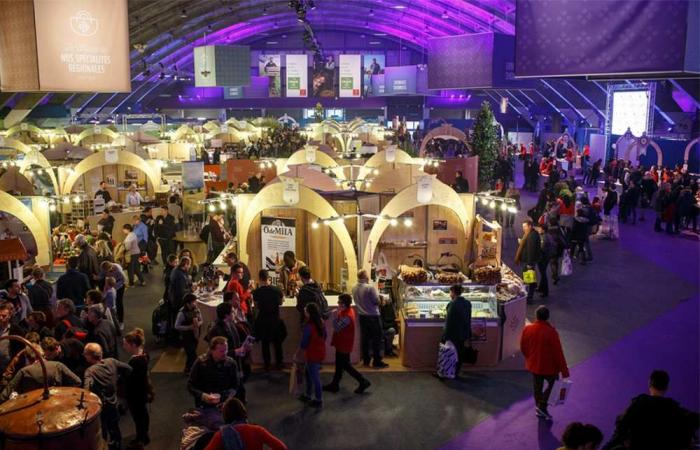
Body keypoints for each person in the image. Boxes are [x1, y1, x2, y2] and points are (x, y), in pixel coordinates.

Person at [603, 370, 699, 450]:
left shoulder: (638, 403)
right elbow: (694, 419)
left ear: (650, 384)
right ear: (666, 387)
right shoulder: (674, 408)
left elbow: (621, 430)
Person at [520, 306, 570, 421]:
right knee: (554, 385)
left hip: (534, 365)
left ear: (536, 315)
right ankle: (542, 406)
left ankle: (539, 407)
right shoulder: (551, 332)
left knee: (537, 387)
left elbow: (523, 346)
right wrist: (565, 372)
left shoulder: (528, 329)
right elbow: (558, 353)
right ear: (547, 317)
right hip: (549, 367)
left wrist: (529, 358)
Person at [83, 342, 132, 450]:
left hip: (101, 407)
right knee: (114, 426)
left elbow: (86, 391)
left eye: (85, 354)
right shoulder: (111, 361)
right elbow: (128, 368)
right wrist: (119, 380)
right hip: (114, 402)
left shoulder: (90, 372)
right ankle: (118, 444)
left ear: (89, 356)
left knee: (102, 430)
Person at [0, 341, 81, 402]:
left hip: (33, 409)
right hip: (56, 404)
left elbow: (4, 395)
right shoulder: (57, 365)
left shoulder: (24, 371)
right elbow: (78, 381)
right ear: (42, 353)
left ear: (28, 358)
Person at [324, 293, 371, 394]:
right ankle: (335, 384)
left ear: (344, 304)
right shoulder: (348, 311)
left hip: (344, 344)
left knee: (345, 365)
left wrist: (335, 316)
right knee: (339, 364)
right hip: (342, 342)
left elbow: (337, 327)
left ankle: (363, 381)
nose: (338, 303)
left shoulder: (347, 316)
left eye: (340, 302)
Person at [203, 398, 288, 450]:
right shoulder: (257, 430)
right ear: (243, 411)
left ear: (225, 416)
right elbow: (281, 447)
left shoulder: (222, 435)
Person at [188, 336, 241, 408]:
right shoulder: (201, 363)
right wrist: (203, 396)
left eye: (226, 350)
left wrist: (228, 397)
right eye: (221, 351)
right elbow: (190, 385)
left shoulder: (231, 363)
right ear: (212, 350)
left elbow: (236, 385)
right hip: (204, 404)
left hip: (224, 404)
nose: (225, 353)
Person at [123, 328, 153, 448]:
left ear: (133, 345)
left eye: (125, 344)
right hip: (143, 391)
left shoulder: (136, 361)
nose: (123, 346)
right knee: (143, 414)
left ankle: (140, 439)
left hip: (136, 394)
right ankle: (144, 436)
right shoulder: (144, 354)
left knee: (138, 417)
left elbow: (132, 380)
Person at [352, 270, 388, 369]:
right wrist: (383, 300)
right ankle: (377, 361)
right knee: (377, 339)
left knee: (365, 339)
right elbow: (376, 301)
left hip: (362, 316)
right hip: (373, 316)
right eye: (367, 275)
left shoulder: (354, 287)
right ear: (365, 277)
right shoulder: (370, 288)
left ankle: (366, 360)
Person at [437, 284, 472, 379]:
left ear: (453, 292)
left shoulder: (452, 304)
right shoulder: (468, 303)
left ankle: (445, 372)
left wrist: (445, 335)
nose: (449, 294)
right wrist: (469, 334)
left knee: (448, 353)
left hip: (453, 333)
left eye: (450, 292)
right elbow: (468, 319)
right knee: (459, 353)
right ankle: (456, 372)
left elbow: (449, 321)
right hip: (463, 333)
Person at [252, 269, 285, 370]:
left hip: (263, 319)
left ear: (260, 278)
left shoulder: (257, 292)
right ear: (269, 278)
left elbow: (256, 306)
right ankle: (279, 363)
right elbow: (281, 302)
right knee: (277, 343)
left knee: (265, 343)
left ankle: (267, 364)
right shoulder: (277, 290)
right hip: (275, 319)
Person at [295, 303, 326, 408]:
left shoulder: (309, 326)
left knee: (315, 377)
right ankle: (308, 395)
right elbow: (324, 336)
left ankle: (318, 399)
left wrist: (297, 355)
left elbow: (304, 343)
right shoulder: (321, 322)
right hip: (319, 351)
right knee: (309, 374)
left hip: (312, 353)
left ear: (309, 313)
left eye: (305, 310)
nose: (304, 312)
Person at [515, 219, 542, 302]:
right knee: (528, 278)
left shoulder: (532, 236)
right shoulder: (529, 233)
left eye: (525, 226)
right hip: (527, 260)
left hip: (528, 261)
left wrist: (530, 264)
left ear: (530, 226)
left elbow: (531, 250)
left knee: (529, 279)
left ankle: (529, 297)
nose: (523, 228)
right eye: (523, 226)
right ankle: (529, 294)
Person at [175, 293, 202, 374]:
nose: (195, 303)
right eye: (193, 302)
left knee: (191, 354)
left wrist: (198, 324)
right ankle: (194, 371)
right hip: (186, 337)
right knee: (192, 354)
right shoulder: (181, 313)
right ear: (188, 303)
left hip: (196, 335)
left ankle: (188, 369)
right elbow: (176, 326)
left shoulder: (197, 310)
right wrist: (188, 327)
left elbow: (201, 320)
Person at [98, 261, 126, 328]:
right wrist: (98, 277)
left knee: (119, 302)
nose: (107, 272)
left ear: (111, 267)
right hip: (110, 285)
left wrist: (114, 287)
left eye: (108, 271)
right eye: (105, 271)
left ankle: (121, 321)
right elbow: (102, 274)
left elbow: (123, 280)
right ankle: (113, 317)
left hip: (119, 286)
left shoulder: (118, 270)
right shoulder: (104, 267)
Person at [0, 303, 26, 374]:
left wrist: (14, 361)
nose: (1, 318)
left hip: (9, 368)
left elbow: (23, 348)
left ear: (9, 316)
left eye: (4, 316)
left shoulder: (16, 330)